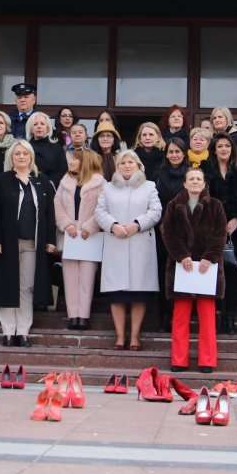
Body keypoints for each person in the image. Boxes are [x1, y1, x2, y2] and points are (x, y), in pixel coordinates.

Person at [0, 140, 56, 347]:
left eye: (25, 154)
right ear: (11, 157)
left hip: (32, 243)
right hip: (7, 243)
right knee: (8, 285)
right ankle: (8, 331)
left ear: (31, 157)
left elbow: (49, 214)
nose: (21, 157)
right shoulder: (1, 181)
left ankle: (23, 331)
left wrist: (51, 240)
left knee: (27, 287)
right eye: (17, 154)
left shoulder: (42, 181)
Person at [96, 150, 162, 351]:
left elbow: (156, 211)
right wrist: (113, 225)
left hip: (140, 242)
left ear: (138, 165)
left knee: (138, 293)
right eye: (122, 162)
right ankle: (119, 336)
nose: (126, 165)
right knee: (117, 294)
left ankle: (134, 337)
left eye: (130, 162)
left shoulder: (149, 186)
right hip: (116, 242)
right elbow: (99, 211)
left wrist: (137, 224)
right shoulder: (107, 188)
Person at [161, 168, 226, 373]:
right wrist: (181, 255)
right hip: (182, 269)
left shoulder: (215, 206)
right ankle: (178, 359)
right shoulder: (174, 205)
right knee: (180, 317)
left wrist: (209, 257)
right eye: (191, 179)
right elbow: (168, 232)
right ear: (185, 183)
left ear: (204, 183)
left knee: (207, 318)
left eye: (199, 178)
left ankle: (207, 360)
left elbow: (220, 234)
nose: (195, 181)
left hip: (207, 270)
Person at [54, 148, 105, 330]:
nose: (71, 162)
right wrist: (66, 224)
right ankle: (72, 315)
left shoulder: (100, 182)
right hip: (69, 233)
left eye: (75, 160)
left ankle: (83, 315)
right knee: (69, 277)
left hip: (89, 235)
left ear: (85, 161)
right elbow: (57, 205)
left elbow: (103, 208)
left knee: (87, 277)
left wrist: (90, 226)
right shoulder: (65, 181)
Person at [210, 132, 237, 334]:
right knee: (214, 277)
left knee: (233, 276)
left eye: (227, 146)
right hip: (211, 230)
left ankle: (230, 318)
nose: (224, 150)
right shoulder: (206, 169)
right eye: (220, 146)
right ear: (214, 149)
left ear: (232, 149)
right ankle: (217, 316)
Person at [155, 138, 189, 332]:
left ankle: (181, 317)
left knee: (182, 272)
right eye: (171, 152)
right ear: (166, 154)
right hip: (162, 230)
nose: (174, 155)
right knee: (163, 273)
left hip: (185, 231)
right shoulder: (158, 174)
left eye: (178, 151)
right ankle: (164, 316)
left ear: (184, 153)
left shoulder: (192, 174)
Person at [27, 111, 67, 188]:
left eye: (42, 124)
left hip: (51, 188)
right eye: (35, 124)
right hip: (29, 187)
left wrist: (50, 183)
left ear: (48, 128)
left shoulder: (57, 147)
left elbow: (62, 170)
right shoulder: (25, 147)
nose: (39, 127)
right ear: (31, 129)